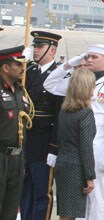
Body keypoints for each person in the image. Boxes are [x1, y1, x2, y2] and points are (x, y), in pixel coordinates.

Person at [44, 44, 104, 220]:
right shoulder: (79, 80)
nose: (89, 60)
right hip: (75, 152)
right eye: (87, 56)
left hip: (98, 150)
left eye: (94, 57)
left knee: (97, 201)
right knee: (77, 203)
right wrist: (72, 61)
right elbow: (50, 84)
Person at [21, 31, 63, 220]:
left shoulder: (59, 75)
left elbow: (60, 116)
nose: (35, 50)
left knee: (41, 193)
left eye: (40, 47)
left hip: (44, 143)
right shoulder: (28, 72)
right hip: (25, 140)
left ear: (52, 50)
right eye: (35, 46)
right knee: (25, 190)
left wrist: (54, 148)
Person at [55, 69, 97, 220]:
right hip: (75, 167)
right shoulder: (85, 113)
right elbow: (85, 146)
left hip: (62, 163)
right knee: (70, 214)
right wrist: (89, 175)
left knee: (67, 213)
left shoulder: (65, 111)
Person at [0, 46, 30, 220]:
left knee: (11, 209)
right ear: (5, 67)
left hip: (17, 158)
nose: (22, 68)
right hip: (1, 156)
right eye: (17, 65)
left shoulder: (20, 91)